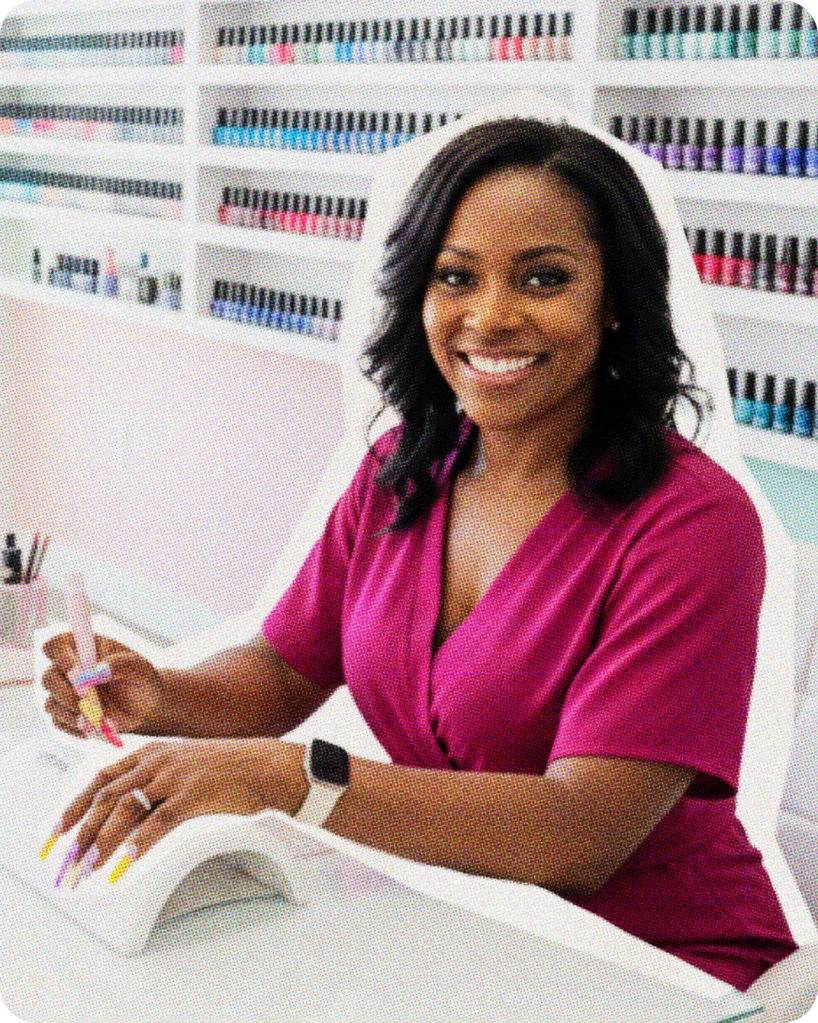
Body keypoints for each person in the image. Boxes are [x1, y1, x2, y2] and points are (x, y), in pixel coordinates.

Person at [42, 115, 797, 990]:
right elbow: (284, 672)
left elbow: (578, 830)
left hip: (660, 968)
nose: (491, 317)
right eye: (456, 277)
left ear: (616, 297)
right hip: (456, 930)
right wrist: (164, 693)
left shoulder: (695, 523)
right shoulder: (404, 470)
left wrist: (299, 778)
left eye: (543, 278)